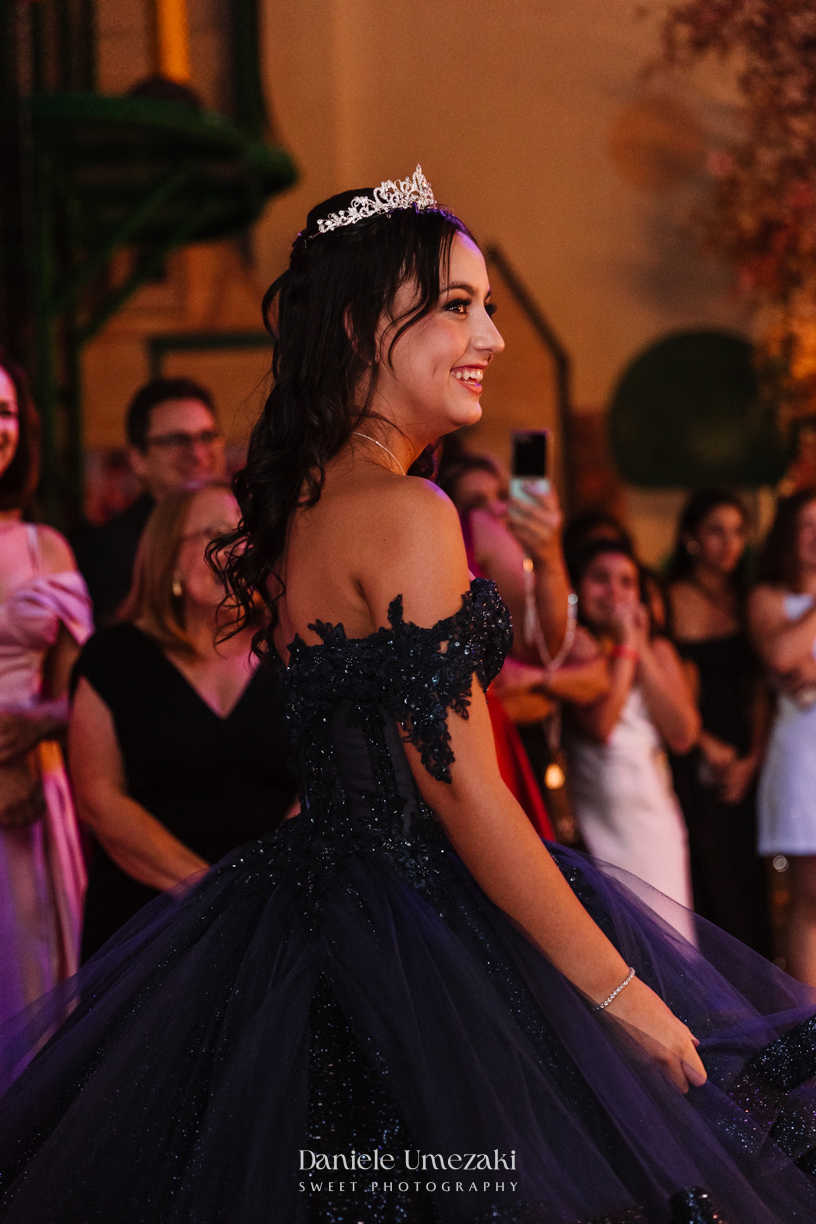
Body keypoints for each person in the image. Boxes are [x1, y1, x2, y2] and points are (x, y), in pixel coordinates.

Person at [2, 171, 816, 1224]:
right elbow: (464, 791)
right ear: (357, 324)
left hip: (311, 920)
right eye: (460, 306)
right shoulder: (408, 508)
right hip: (424, 932)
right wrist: (617, 993)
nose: (495, 337)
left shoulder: (302, 505)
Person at [70, 482, 298, 958]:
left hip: (278, 916)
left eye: (247, 535)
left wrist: (265, 888)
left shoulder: (292, 652)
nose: (238, 551)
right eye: (217, 534)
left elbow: (327, 780)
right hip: (149, 921)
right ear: (168, 556)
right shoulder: (114, 659)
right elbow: (99, 798)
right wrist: (205, 890)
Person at [438, 448, 608, 842]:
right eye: (476, 502)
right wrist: (547, 558)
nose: (496, 510)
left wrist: (533, 681)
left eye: (501, 495)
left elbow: (588, 670)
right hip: (488, 751)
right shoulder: (478, 533)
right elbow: (546, 646)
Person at [0, 355, 93, 1026]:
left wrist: (40, 729)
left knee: (34, 996)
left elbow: (78, 699)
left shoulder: (44, 547)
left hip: (33, 794)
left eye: (3, 412)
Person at [565, 539, 699, 911]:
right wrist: (624, 649)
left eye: (627, 582)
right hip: (599, 821)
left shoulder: (658, 650)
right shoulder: (575, 647)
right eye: (601, 579)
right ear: (576, 587)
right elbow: (601, 728)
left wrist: (638, 646)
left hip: (655, 823)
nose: (615, 592)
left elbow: (683, 735)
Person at [667, 490, 772, 958]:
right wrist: (705, 744)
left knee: (752, 881)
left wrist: (753, 758)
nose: (729, 544)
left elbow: (762, 688)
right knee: (708, 877)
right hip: (691, 752)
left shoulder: (750, 598)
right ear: (691, 537)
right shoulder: (669, 599)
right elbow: (666, 687)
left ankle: (770, 1007)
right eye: (715, 530)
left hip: (747, 754)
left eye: (737, 531)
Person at [72, 377, 226, 624]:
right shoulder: (110, 552)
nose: (197, 454)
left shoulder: (249, 533)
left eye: (207, 437)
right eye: (177, 440)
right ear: (137, 460)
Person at [749, 489, 816, 984]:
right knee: (810, 892)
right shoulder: (768, 597)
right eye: (807, 525)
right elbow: (781, 658)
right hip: (801, 755)